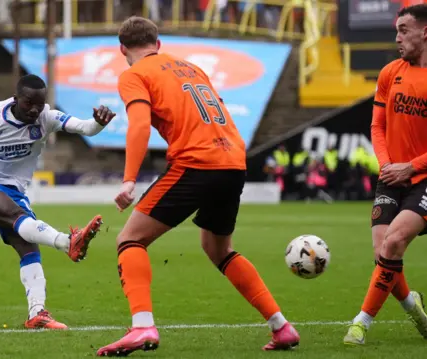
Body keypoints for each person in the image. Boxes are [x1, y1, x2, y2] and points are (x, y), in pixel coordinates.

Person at [96, 16, 299, 357]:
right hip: (233, 161)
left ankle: (142, 326)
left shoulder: (134, 74)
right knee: (218, 249)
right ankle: (281, 327)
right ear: (158, 44)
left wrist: (129, 179)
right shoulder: (190, 68)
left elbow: (140, 125)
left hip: (196, 162)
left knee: (130, 238)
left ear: (122, 50)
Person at [0, 74, 114, 330]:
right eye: (29, 103)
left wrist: (99, 123)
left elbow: (84, 128)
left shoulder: (46, 117)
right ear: (16, 98)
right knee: (17, 216)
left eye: (40, 104)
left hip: (14, 191)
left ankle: (37, 312)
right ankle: (67, 242)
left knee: (29, 249)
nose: (34, 110)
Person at [343, 4, 427, 345]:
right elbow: (377, 124)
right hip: (391, 173)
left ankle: (361, 322)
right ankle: (412, 306)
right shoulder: (390, 73)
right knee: (383, 252)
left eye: (403, 30)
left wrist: (412, 167)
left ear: (425, 32)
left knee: (395, 241)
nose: (397, 37)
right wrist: (387, 165)